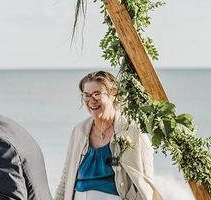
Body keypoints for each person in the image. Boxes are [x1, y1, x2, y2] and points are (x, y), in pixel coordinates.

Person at [54, 71, 162, 200]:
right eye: (86, 95)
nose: (91, 101)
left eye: (97, 94)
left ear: (113, 94)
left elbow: (146, 181)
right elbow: (66, 178)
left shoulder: (132, 130)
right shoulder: (79, 131)